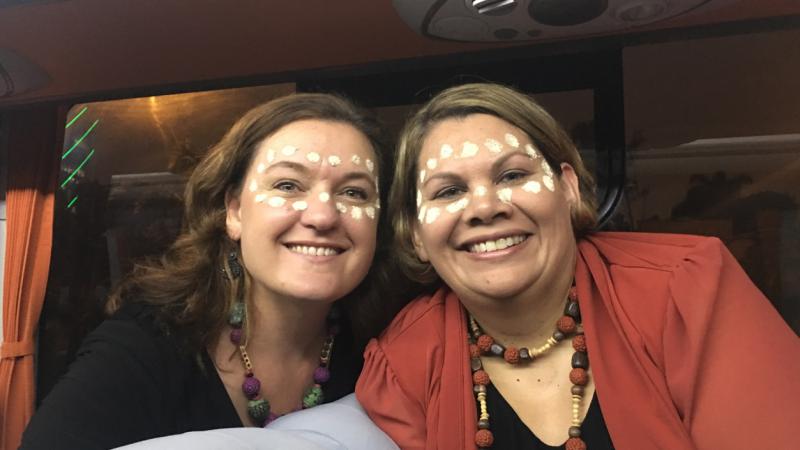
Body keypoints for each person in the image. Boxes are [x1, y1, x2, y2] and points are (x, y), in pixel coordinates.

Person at [355, 83, 800, 450]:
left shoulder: (688, 287)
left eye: (512, 175)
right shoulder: (402, 364)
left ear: (567, 188)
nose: (485, 207)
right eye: (448, 191)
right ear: (415, 233)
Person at [20, 92, 391, 449]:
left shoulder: (386, 352)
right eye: (288, 185)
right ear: (234, 212)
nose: (323, 216)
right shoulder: (144, 350)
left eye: (354, 193)